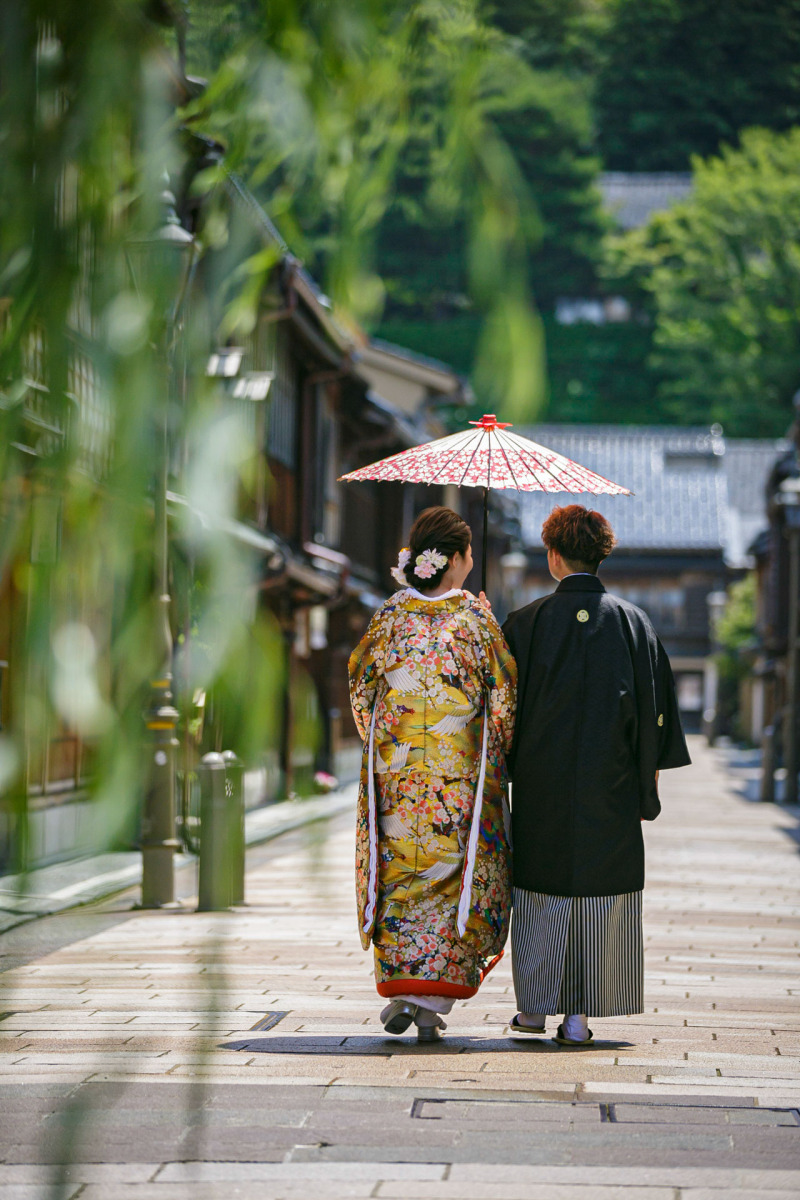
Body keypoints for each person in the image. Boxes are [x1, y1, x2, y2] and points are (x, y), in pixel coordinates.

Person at [502, 504, 690, 1045]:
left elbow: (501, 712)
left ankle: (533, 1010)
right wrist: (645, 786)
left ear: (553, 556)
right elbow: (656, 715)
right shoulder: (634, 624)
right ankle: (579, 1016)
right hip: (612, 788)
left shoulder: (525, 622)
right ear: (600, 555)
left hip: (541, 786)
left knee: (540, 890)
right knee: (599, 894)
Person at [348, 506, 517, 1043]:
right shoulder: (476, 619)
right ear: (460, 558)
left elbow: (361, 688)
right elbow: (504, 697)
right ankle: (427, 1005)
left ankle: (407, 993)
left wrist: (382, 743)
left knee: (399, 869)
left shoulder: (390, 614)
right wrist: (498, 753)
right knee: (451, 873)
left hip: (395, 773)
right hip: (457, 774)